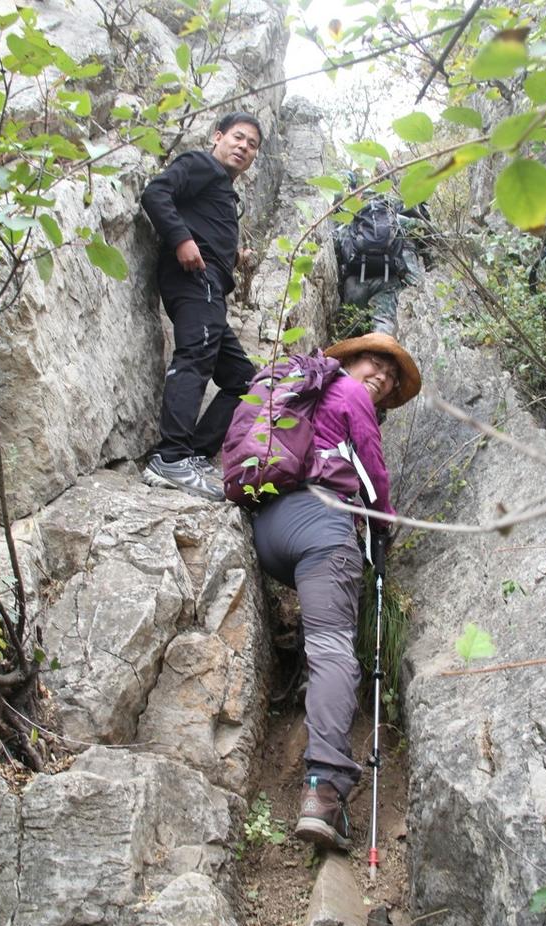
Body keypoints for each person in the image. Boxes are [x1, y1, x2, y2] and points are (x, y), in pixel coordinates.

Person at [251, 332, 421, 850]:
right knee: (335, 652)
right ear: (350, 360)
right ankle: (323, 794)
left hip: (271, 528)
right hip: (324, 528)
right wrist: (386, 526)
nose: (383, 378)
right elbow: (374, 477)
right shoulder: (349, 394)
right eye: (377, 363)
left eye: (391, 377)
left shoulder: (309, 393)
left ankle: (303, 679)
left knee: (322, 626)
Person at [140, 111, 263, 500]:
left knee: (246, 380)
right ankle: (170, 457)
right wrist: (181, 239)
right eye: (238, 137)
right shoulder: (201, 164)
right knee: (194, 357)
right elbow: (156, 192)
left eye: (252, 145)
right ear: (217, 136)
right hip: (195, 281)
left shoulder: (222, 190)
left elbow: (204, 226)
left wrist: (235, 257)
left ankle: (193, 454)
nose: (244, 147)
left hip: (210, 289)